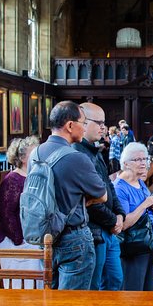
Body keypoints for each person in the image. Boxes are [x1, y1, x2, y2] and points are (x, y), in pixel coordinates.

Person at [38, 101, 107, 290]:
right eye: (83, 123)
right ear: (70, 125)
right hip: (72, 237)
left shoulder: (37, 151)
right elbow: (102, 196)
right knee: (72, 304)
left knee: (50, 299)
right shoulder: (76, 157)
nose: (84, 128)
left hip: (45, 234)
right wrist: (81, 201)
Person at [73, 103, 126, 291]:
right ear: (84, 123)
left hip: (108, 230)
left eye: (105, 123)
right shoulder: (78, 154)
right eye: (99, 123)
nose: (104, 127)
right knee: (94, 286)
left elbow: (108, 185)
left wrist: (120, 214)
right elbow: (90, 201)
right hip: (94, 231)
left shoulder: (94, 152)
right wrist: (113, 221)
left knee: (115, 280)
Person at [113, 142, 153, 290]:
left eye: (145, 159)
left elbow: (147, 207)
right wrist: (145, 204)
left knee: (148, 292)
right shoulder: (120, 188)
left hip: (149, 245)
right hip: (134, 248)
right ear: (126, 163)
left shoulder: (139, 182)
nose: (143, 163)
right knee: (134, 292)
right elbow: (124, 223)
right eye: (138, 160)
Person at [0, 136, 42, 289]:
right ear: (23, 158)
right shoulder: (13, 180)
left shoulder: (34, 176)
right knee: (22, 286)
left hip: (33, 238)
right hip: (17, 241)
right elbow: (7, 213)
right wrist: (19, 240)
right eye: (34, 153)